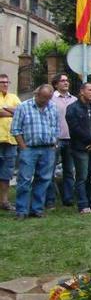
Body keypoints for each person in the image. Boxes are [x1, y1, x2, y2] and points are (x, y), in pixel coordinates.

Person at [10, 84, 59, 219]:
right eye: (44, 98)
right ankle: (21, 210)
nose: (46, 101)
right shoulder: (23, 107)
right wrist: (23, 146)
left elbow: (56, 126)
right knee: (24, 180)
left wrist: (54, 142)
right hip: (29, 149)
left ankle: (37, 209)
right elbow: (15, 129)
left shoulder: (53, 107)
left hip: (48, 149)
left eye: (49, 98)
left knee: (43, 180)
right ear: (36, 94)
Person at [65, 83, 91, 214]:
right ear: (82, 91)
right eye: (90, 90)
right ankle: (83, 205)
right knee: (82, 177)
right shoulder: (72, 108)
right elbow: (75, 128)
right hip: (80, 147)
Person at [47, 72, 76, 208]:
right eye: (63, 80)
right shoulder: (50, 99)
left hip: (71, 139)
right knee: (50, 170)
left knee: (69, 170)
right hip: (56, 139)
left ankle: (68, 198)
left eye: (67, 80)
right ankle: (51, 199)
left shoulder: (74, 100)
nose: (66, 82)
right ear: (56, 84)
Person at [0, 73, 21, 211]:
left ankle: (4, 201)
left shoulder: (13, 97)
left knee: (6, 173)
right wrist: (11, 111)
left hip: (11, 140)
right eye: (2, 82)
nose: (5, 84)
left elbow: (20, 111)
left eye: (7, 82)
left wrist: (4, 109)